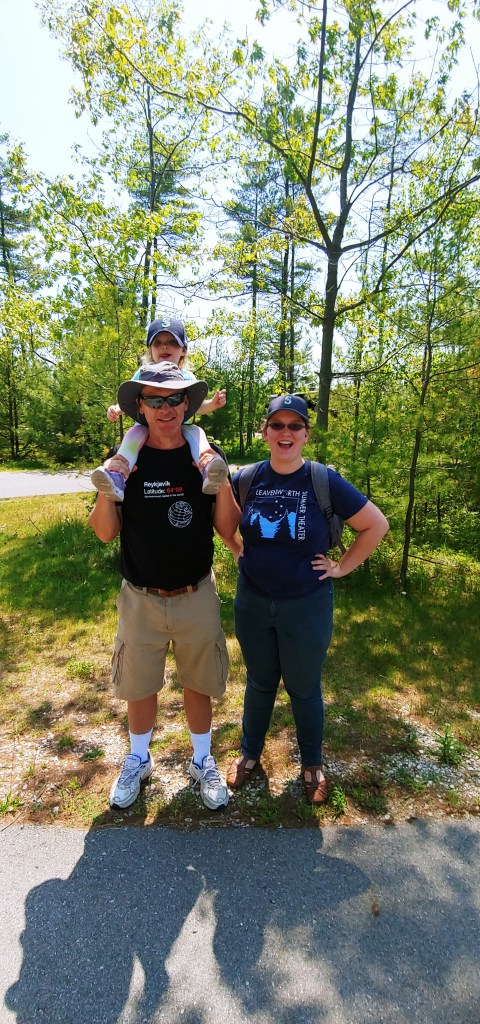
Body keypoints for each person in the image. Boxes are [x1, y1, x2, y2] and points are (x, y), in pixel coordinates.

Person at [88, 361, 241, 811]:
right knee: (139, 686)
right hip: (141, 597)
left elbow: (227, 526)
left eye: (175, 398)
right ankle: (138, 759)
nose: (166, 407)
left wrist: (220, 482)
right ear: (141, 406)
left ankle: (201, 760)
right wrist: (108, 492)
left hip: (196, 594)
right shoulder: (126, 458)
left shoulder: (204, 456)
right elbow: (104, 532)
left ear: (187, 403)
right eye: (155, 400)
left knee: (199, 683)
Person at [226, 394, 389, 804]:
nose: (286, 432)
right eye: (277, 425)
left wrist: (341, 567)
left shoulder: (323, 480)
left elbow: (375, 525)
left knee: (303, 687)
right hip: (253, 602)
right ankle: (249, 754)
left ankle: (312, 764)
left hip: (306, 605)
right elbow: (221, 520)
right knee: (259, 682)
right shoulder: (246, 479)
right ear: (265, 432)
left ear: (305, 435)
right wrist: (235, 547)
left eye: (294, 426)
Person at [91, 318, 228, 500]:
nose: (164, 347)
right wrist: (117, 408)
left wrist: (213, 404)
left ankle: (209, 468)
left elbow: (197, 407)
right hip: (146, 425)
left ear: (183, 350)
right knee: (132, 436)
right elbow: (131, 400)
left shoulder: (186, 377)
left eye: (172, 342)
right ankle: (117, 475)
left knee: (197, 432)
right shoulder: (143, 374)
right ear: (150, 350)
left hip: (181, 425)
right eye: (158, 343)